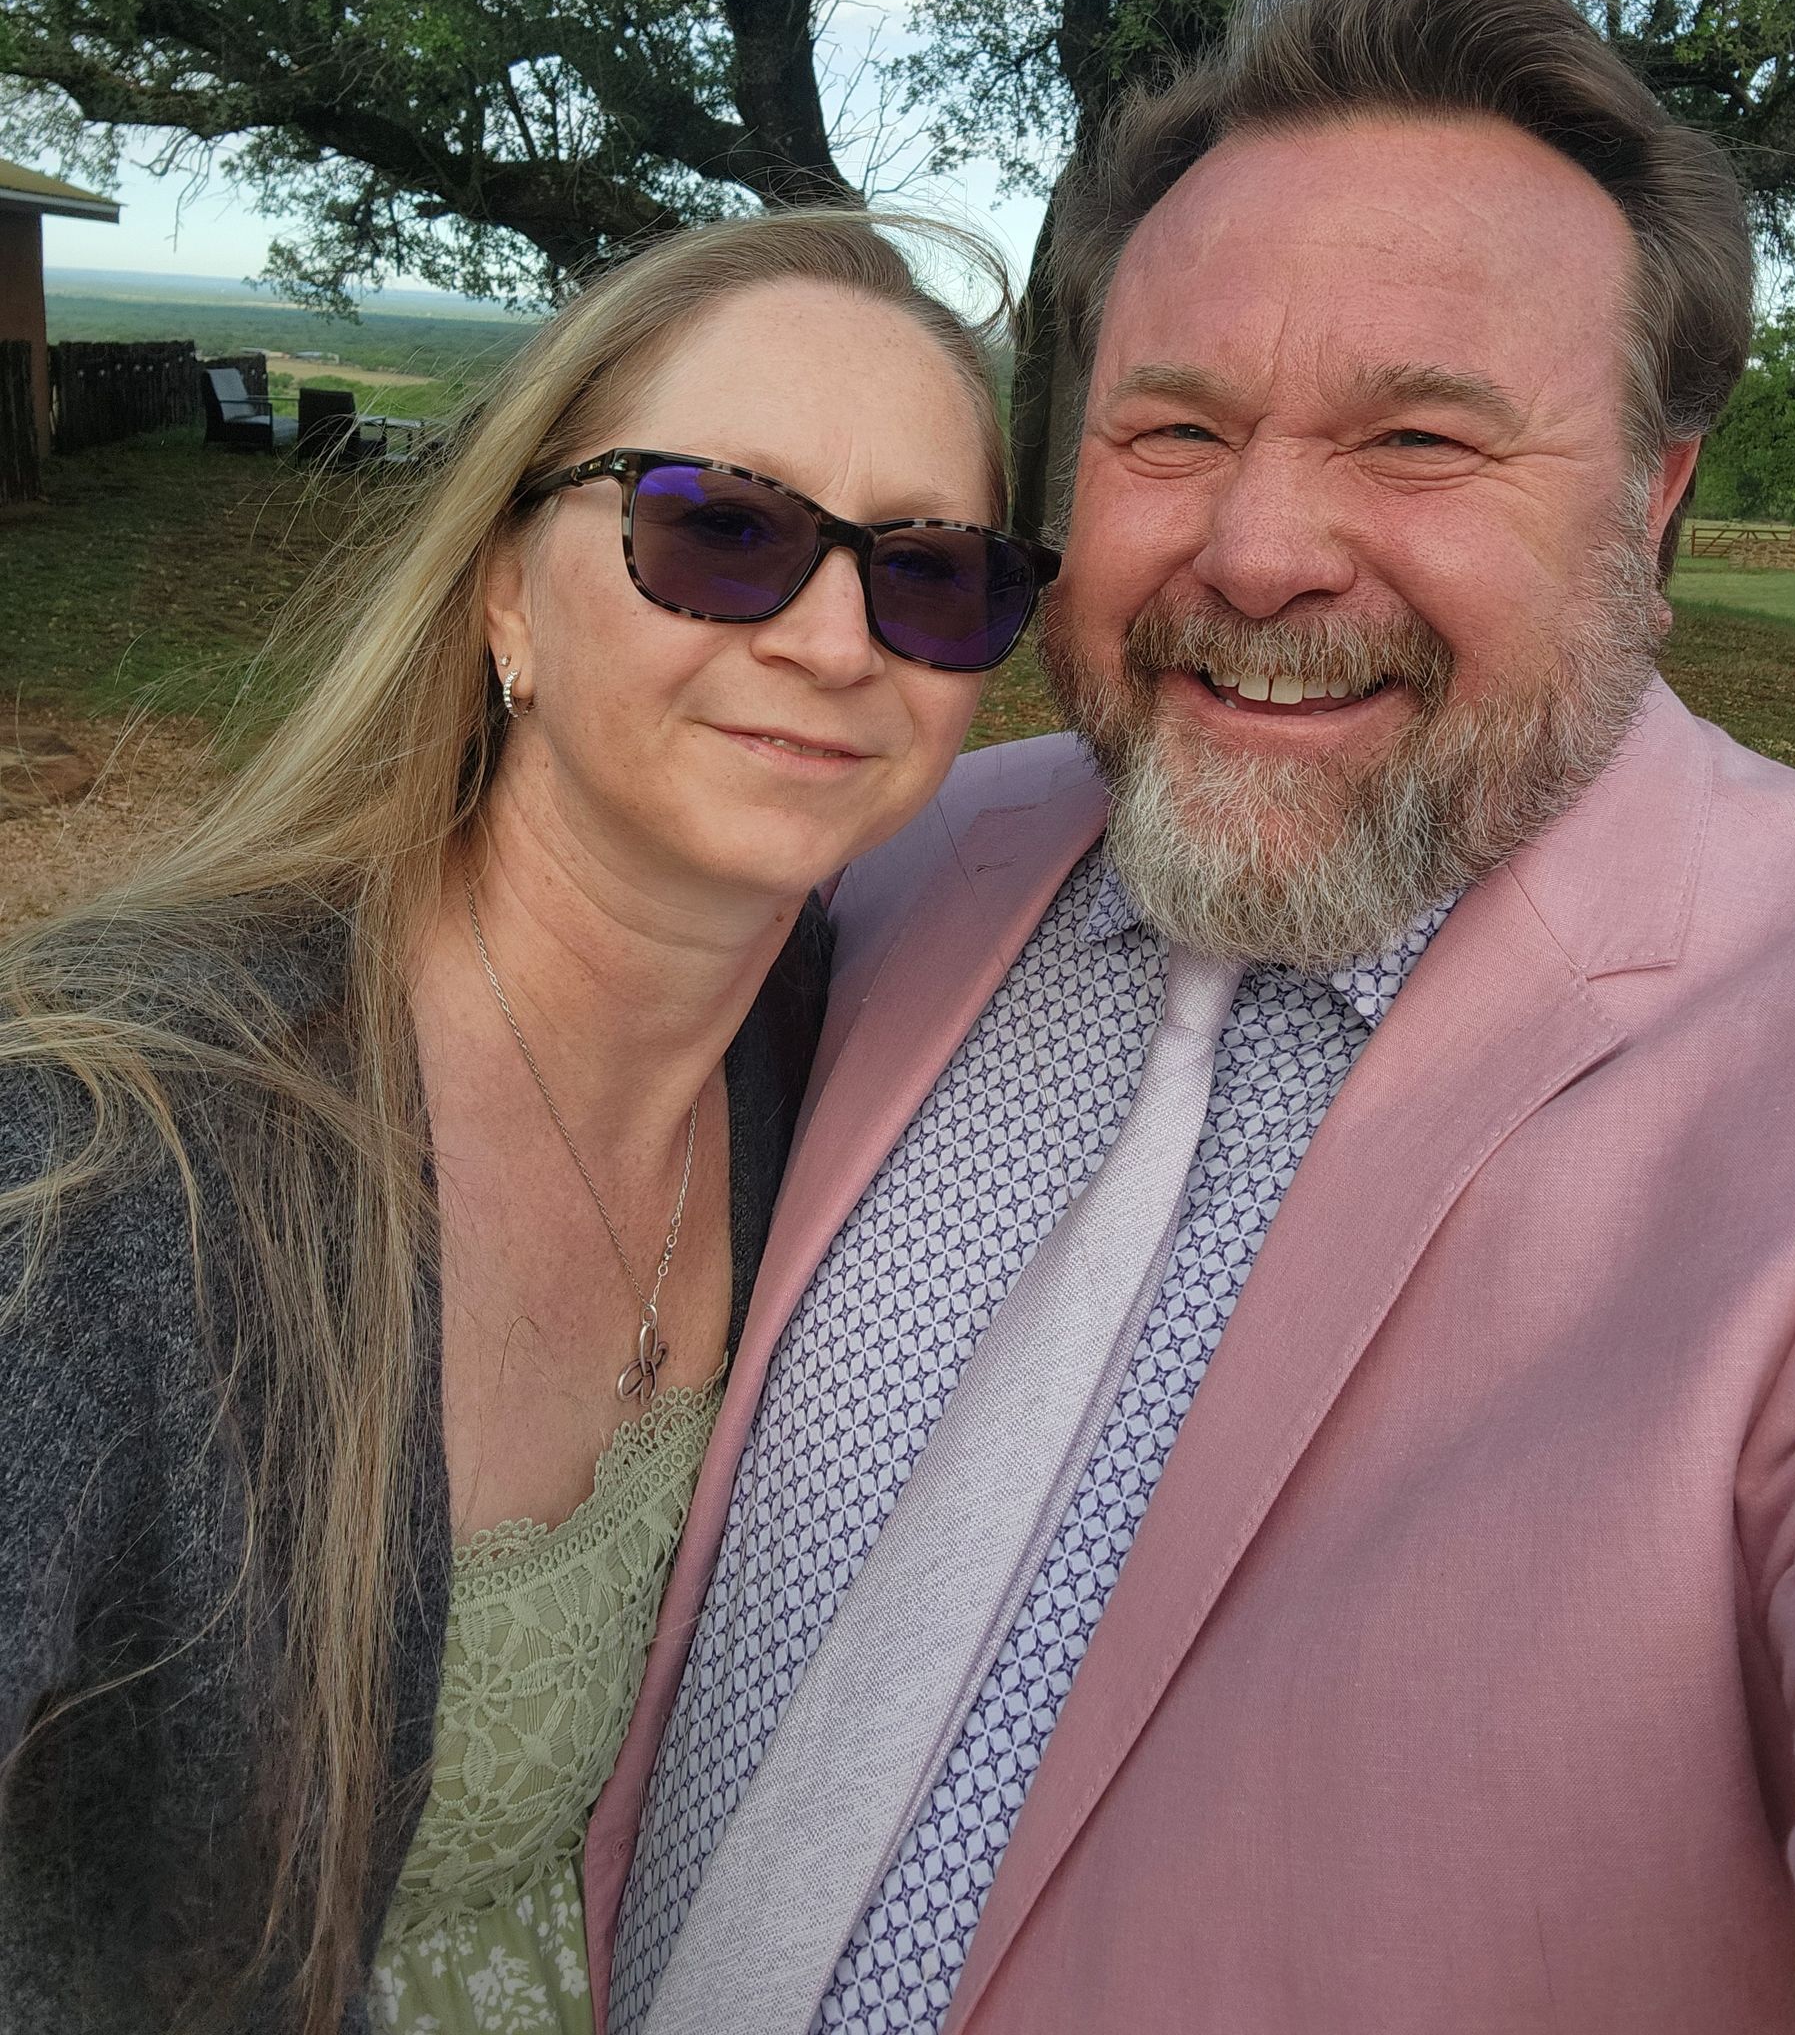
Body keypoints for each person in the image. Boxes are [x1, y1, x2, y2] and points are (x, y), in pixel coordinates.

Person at [594, 0, 1795, 2035]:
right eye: (1176, 426)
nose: (1264, 547)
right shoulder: (891, 855)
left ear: (1649, 506)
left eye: (1416, 435)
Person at [0, 212, 1056, 2035]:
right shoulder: (106, 1159)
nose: (829, 639)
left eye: (932, 575)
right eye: (719, 530)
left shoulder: (831, 1060)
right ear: (506, 599)